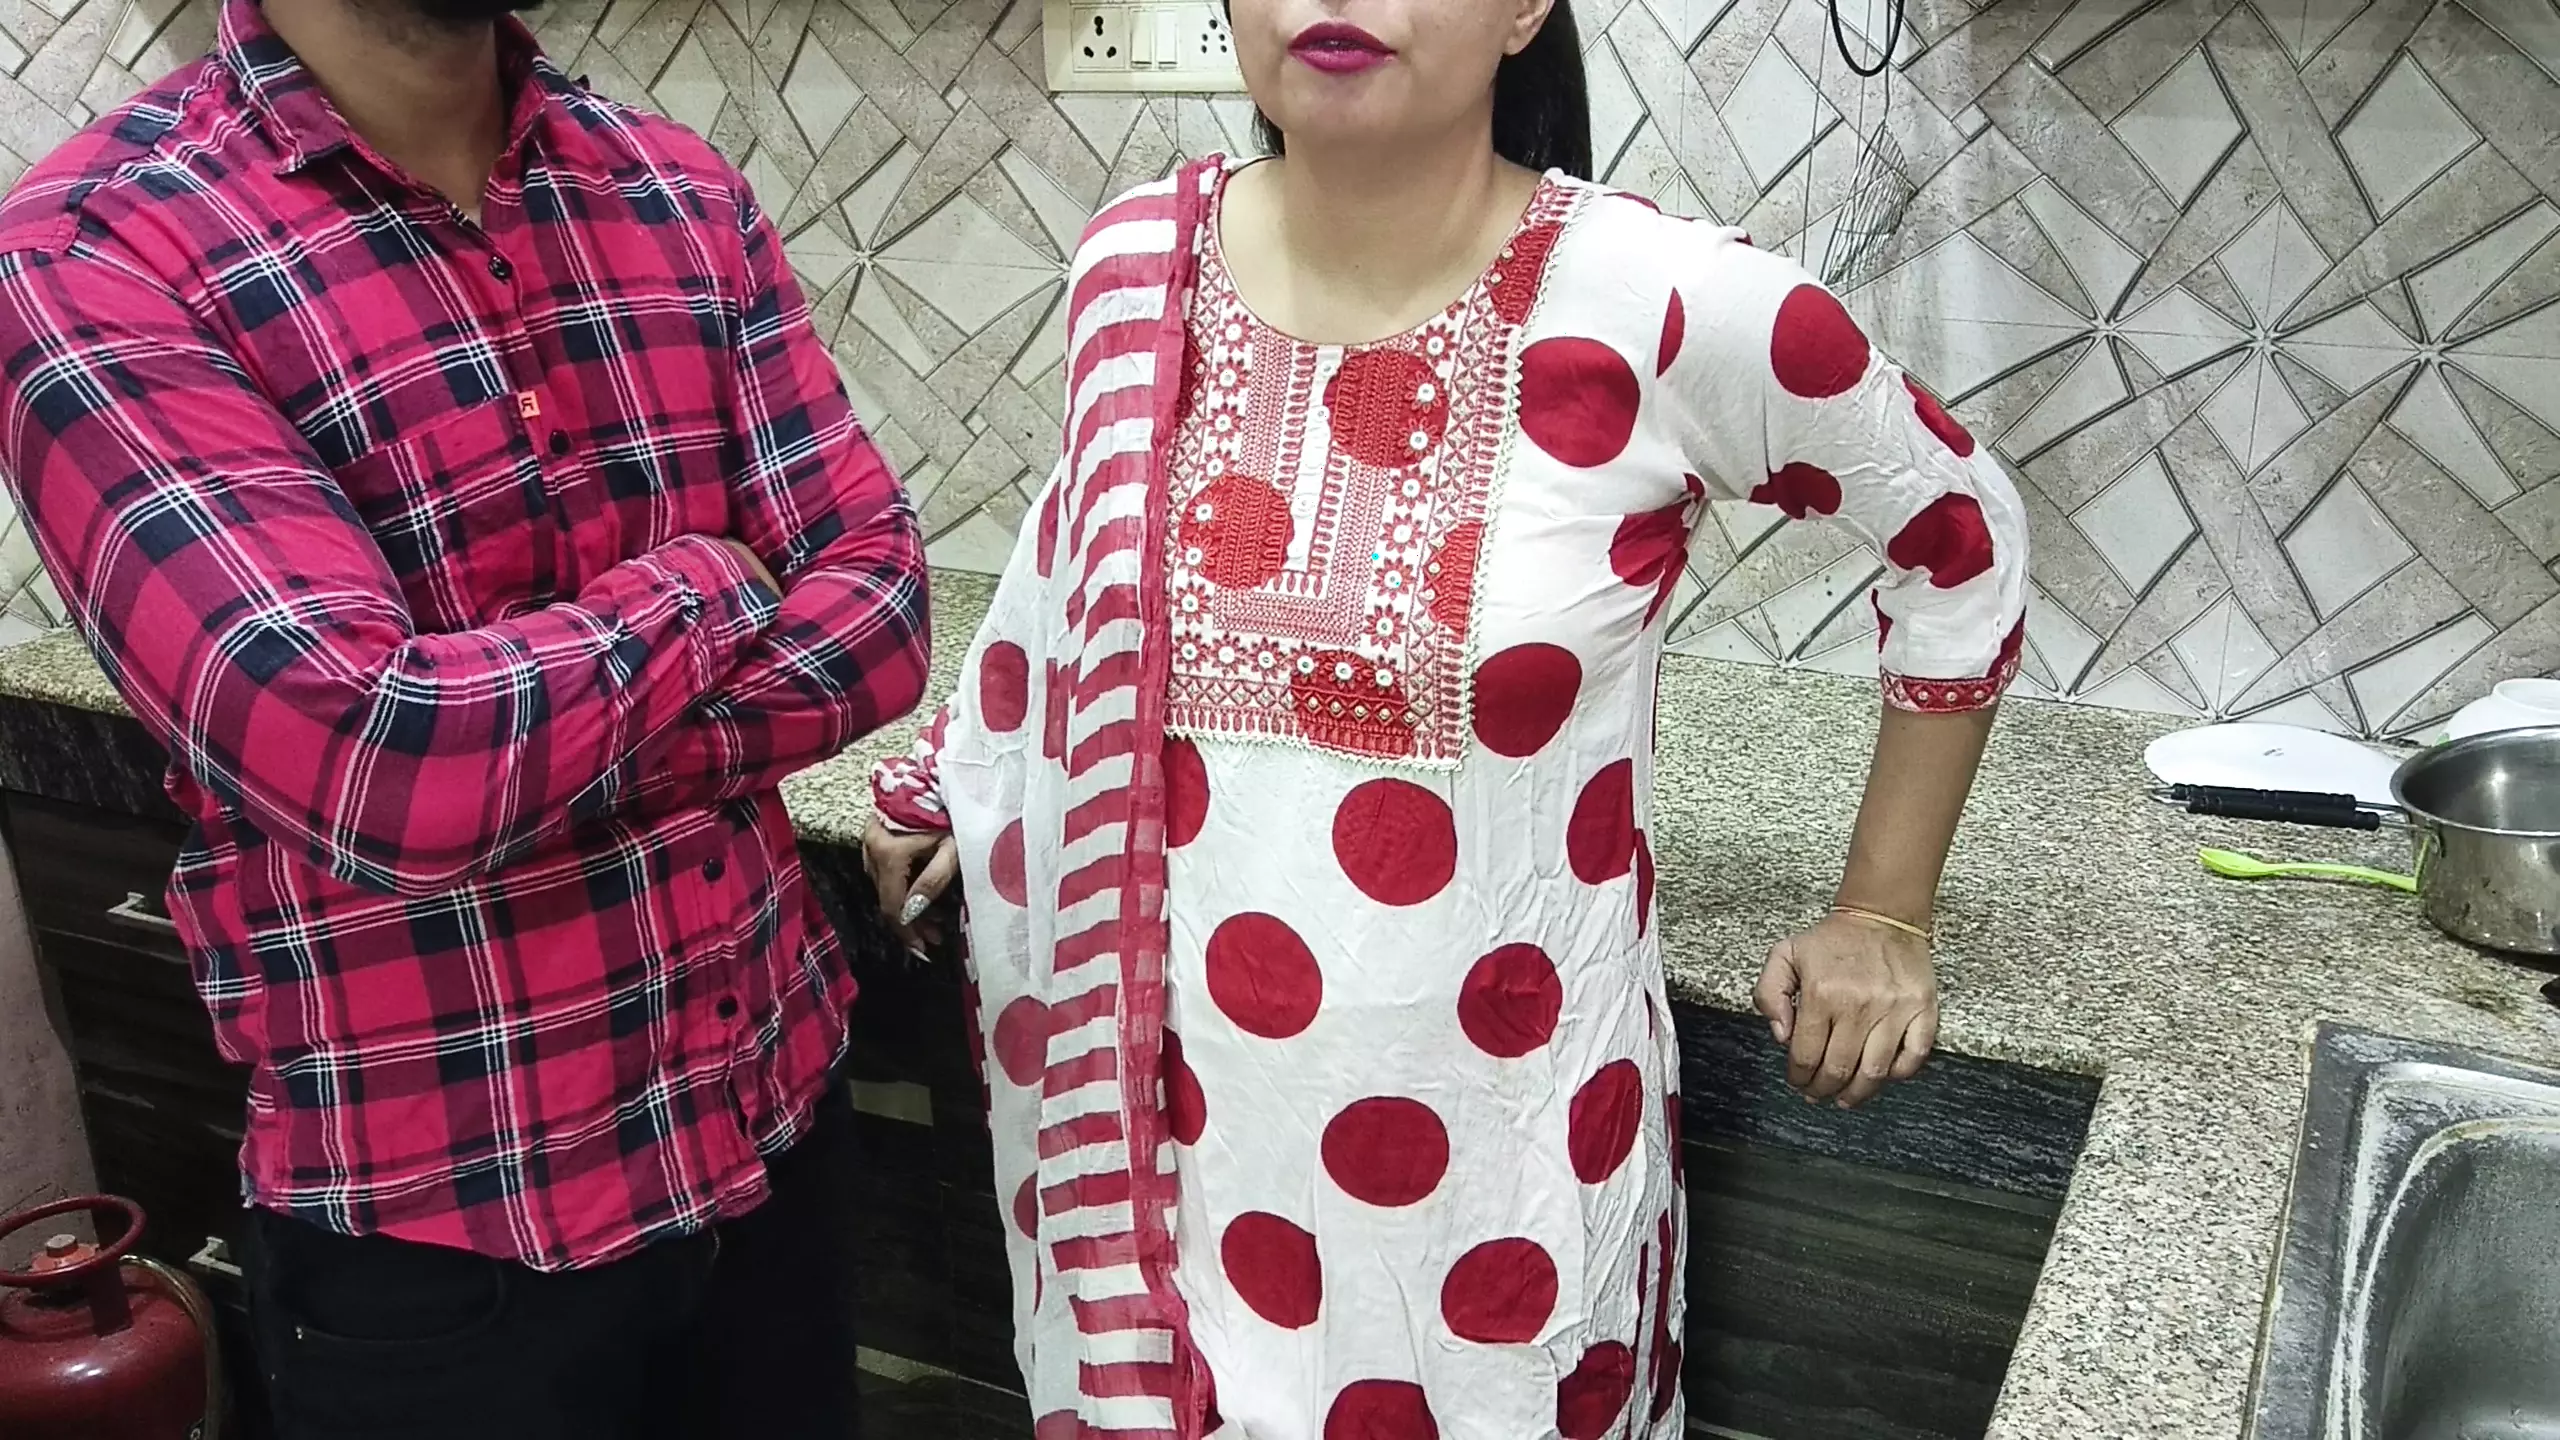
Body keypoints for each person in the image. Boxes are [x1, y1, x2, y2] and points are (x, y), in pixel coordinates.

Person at [862, 0, 2029, 1432]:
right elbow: (1074, 577)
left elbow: (1960, 537)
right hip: (1180, 1161)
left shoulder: (1668, 302)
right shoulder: (1133, 265)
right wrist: (964, 776)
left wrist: (1885, 911)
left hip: (1503, 1180)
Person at [0, 0, 930, 1431]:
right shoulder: (98, 249)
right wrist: (707, 582)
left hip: (768, 1139)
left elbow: (882, 608)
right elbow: (375, 763)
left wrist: (519, 764)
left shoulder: (677, 187)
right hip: (448, 1239)